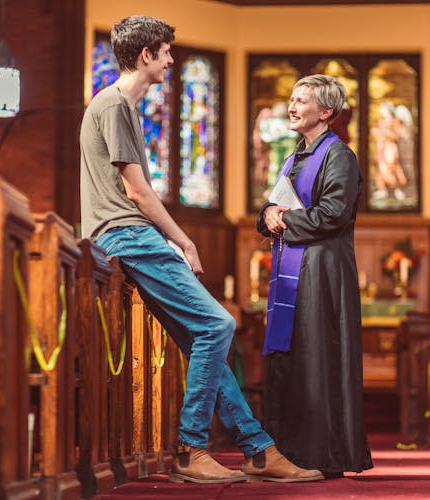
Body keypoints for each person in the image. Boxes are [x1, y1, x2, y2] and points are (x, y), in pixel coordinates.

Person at [80, 15, 323, 484]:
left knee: (203, 335)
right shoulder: (113, 105)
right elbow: (137, 193)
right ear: (147, 55)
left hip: (132, 234)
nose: (171, 60)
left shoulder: (122, 108)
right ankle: (191, 448)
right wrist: (184, 239)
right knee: (218, 323)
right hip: (127, 234)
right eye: (167, 52)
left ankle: (258, 450)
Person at [257, 74, 374, 478]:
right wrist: (267, 214)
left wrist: (283, 218)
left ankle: (320, 454)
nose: (291, 106)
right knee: (290, 357)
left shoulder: (339, 156)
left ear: (325, 112)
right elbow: (275, 205)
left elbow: (333, 214)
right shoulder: (294, 157)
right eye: (291, 98)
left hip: (322, 272)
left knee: (316, 356)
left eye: (301, 101)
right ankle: (285, 453)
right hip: (293, 267)